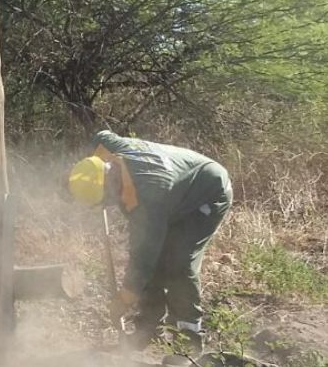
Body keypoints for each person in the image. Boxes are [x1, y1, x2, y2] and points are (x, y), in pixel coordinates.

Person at [68, 130, 232, 358]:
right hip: (175, 195)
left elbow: (143, 260)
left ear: (110, 190)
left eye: (104, 201)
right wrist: (91, 165)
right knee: (153, 261)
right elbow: (101, 135)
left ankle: (189, 341)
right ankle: (148, 328)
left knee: (178, 263)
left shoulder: (148, 198)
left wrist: (123, 300)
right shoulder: (114, 151)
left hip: (208, 192)